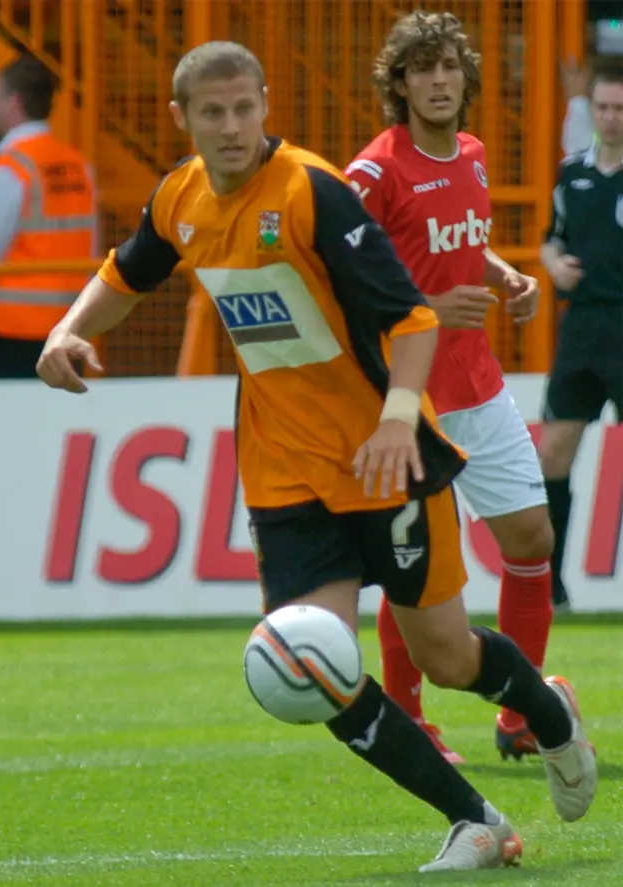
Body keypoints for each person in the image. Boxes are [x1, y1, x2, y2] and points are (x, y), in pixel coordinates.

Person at [36, 41, 596, 873]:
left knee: (447, 657)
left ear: (266, 104)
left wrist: (397, 422)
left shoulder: (311, 192)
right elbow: (126, 272)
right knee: (313, 665)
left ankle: (550, 716)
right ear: (182, 119)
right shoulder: (181, 197)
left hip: (384, 459)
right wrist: (68, 329)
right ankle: (476, 820)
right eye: (213, 113)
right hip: (284, 475)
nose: (232, 127)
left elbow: (411, 321)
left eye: (244, 108)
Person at [345, 10, 555, 764]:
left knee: (532, 539)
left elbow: (461, 240)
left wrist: (503, 275)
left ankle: (520, 714)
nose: (438, 81)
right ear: (398, 84)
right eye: (422, 69)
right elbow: (338, 284)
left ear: (466, 79)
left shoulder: (472, 153)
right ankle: (412, 723)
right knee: (417, 574)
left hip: (478, 384)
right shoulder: (373, 173)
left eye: (449, 67)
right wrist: (430, 307)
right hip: (407, 399)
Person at [539, 65, 623, 609]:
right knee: (552, 454)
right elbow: (552, 237)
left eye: (620, 109)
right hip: (583, 328)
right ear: (591, 111)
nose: (611, 118)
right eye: (603, 108)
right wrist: (552, 263)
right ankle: (550, 588)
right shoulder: (572, 174)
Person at [0, 54, 97, 378]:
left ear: (14, 102)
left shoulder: (9, 169)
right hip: (69, 328)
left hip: (10, 333)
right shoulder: (78, 165)